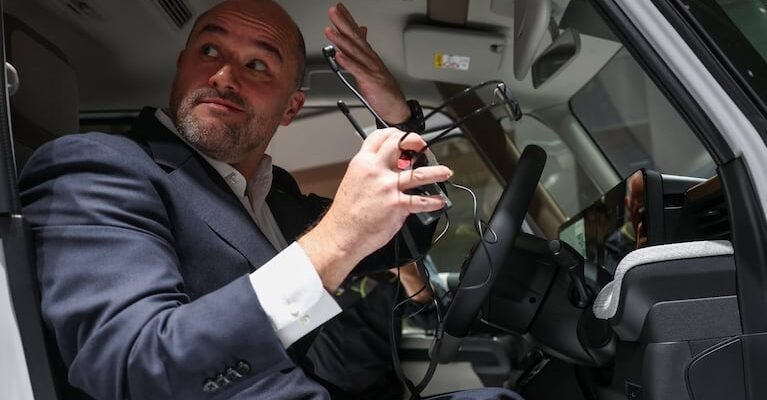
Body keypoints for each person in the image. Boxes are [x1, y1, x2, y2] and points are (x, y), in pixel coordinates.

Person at [19, 1, 523, 399]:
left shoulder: (273, 196)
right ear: (180, 68)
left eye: (257, 64)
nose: (224, 76)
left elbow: (406, 235)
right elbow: (132, 368)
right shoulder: (98, 165)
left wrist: (395, 118)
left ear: (291, 108)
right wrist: (337, 237)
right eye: (209, 51)